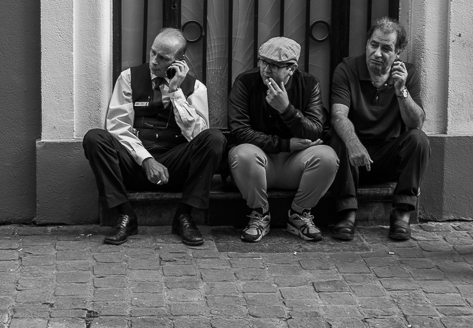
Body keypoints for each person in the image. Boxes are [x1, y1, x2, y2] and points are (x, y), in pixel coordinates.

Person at [83, 29, 226, 246]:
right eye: (153, 53)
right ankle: (125, 214)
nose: (154, 61)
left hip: (175, 167)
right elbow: (118, 127)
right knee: (95, 138)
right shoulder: (129, 78)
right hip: (135, 164)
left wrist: (176, 91)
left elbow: (197, 135)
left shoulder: (196, 88)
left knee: (214, 138)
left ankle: (184, 215)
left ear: (179, 61)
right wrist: (146, 159)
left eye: (163, 58)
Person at [327, 18, 431, 242]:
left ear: (398, 52)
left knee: (419, 139)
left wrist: (401, 90)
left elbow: (416, 123)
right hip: (353, 159)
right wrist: (354, 144)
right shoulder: (347, 69)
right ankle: (346, 212)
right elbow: (338, 115)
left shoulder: (408, 73)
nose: (377, 53)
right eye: (373, 45)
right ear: (366, 43)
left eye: (386, 48)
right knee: (339, 137)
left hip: (387, 155)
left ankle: (401, 213)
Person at [227, 37, 339, 243]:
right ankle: (260, 214)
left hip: (296, 162)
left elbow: (316, 131)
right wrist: (285, 144)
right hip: (259, 163)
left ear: (291, 68)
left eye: (275, 65)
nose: (266, 70)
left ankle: (299, 214)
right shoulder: (245, 82)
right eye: (263, 62)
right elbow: (239, 131)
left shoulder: (309, 84)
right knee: (242, 153)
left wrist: (286, 110)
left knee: (328, 157)